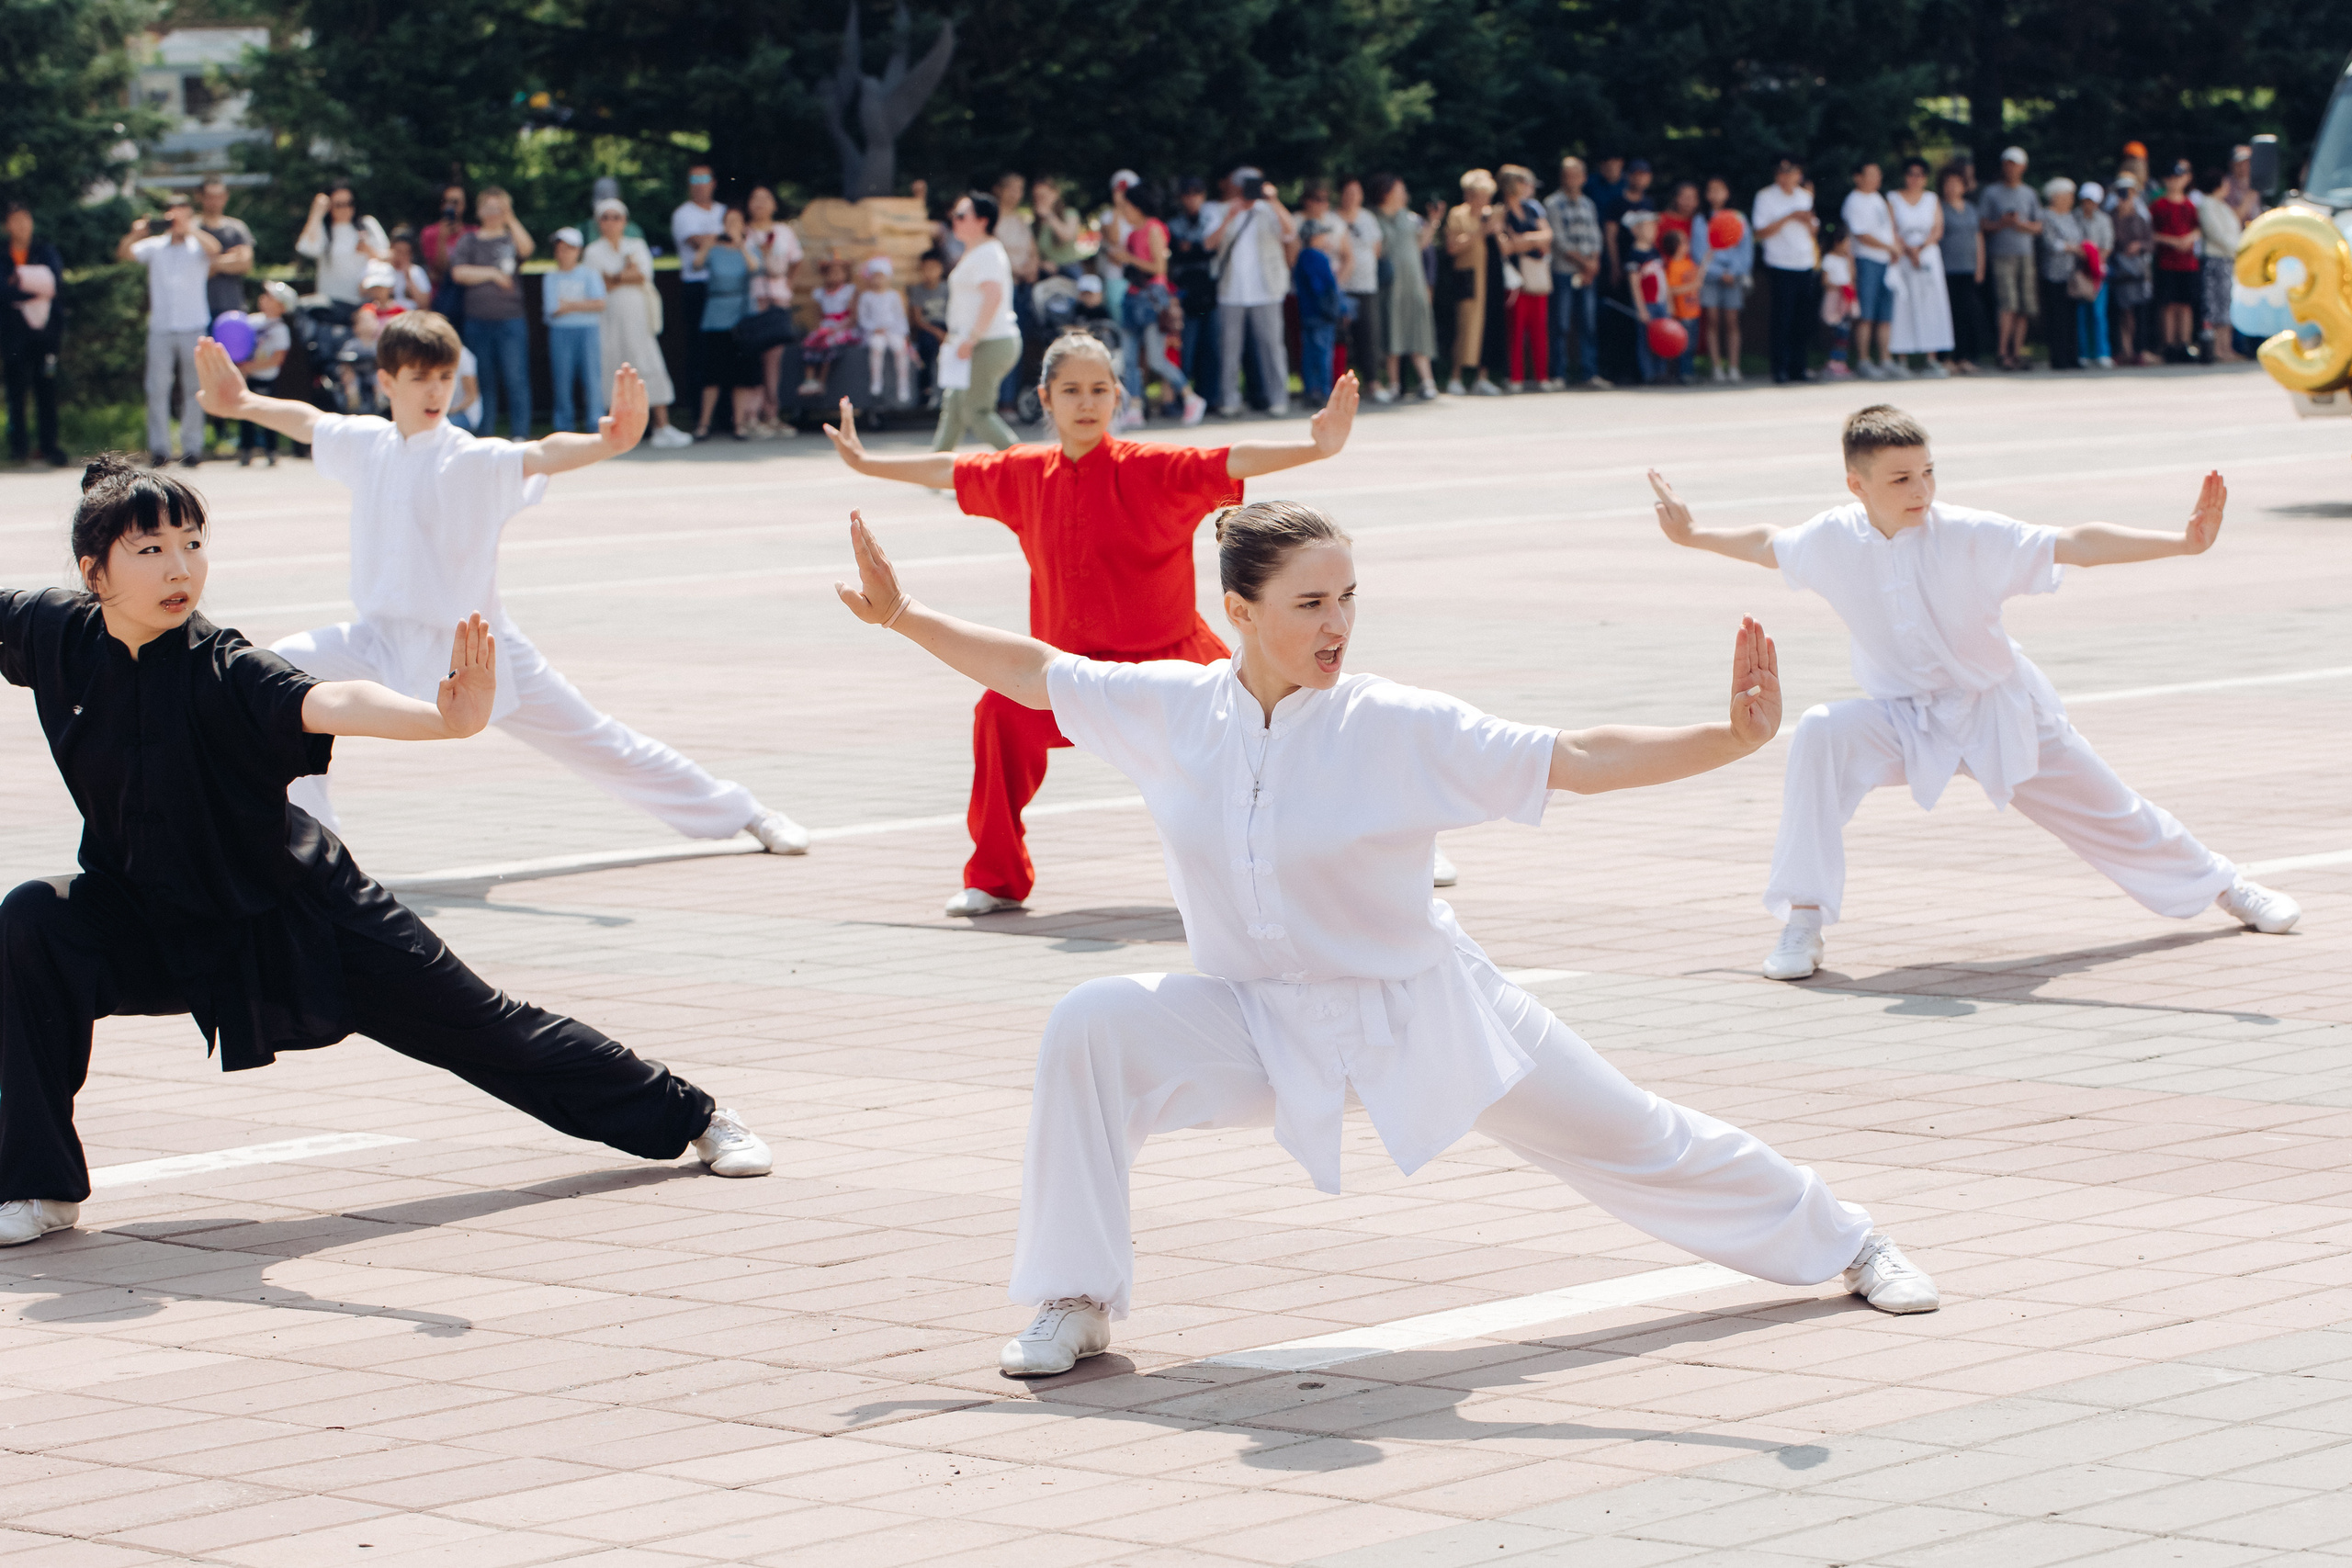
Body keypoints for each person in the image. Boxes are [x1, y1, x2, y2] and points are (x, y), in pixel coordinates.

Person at [830, 504, 1941, 1378]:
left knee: (1637, 1136)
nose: (1337, 624)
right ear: (1236, 612)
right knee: (1091, 1025)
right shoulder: (1171, 708)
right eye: (1310, 601)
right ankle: (1075, 1298)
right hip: (1258, 1018)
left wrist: (1727, 739)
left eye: (1349, 598)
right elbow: (1035, 670)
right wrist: (904, 615)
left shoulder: (1397, 723)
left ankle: (1848, 1242)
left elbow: (1577, 755)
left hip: (1428, 1011)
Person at [0, 459, 777, 1251]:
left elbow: (329, 698)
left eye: (193, 542)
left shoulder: (224, 668)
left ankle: (696, 1115)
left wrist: (445, 719)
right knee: (32, 920)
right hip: (145, 915)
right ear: (94, 570)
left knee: (488, 1029)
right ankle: (37, 1184)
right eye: (150, 549)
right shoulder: (53, 632)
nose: (180, 567)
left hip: (297, 912)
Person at [1650, 404, 2302, 987]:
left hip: (2000, 708)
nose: (1923, 489)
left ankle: (2229, 886)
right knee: (1819, 731)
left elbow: (2075, 543)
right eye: (1902, 478)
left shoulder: (1968, 533)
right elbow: (1767, 543)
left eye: (1929, 472)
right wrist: (1691, 535)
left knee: (2116, 811)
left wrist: (2182, 544)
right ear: (1858, 485)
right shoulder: (1829, 539)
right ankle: (1802, 920)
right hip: (1901, 718)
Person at [193, 313, 811, 856]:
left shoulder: (471, 457)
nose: (437, 390)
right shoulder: (366, 443)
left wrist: (608, 442)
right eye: (420, 378)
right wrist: (242, 402)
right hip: (377, 641)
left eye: (446, 376)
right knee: (278, 676)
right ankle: (312, 850)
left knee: (603, 744)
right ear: (387, 382)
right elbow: (307, 420)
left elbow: (541, 453)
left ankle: (745, 812)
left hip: (480, 650)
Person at [825, 346, 1394, 914]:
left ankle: (1374, 847)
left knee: (1277, 733)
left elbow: (1229, 459)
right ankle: (995, 878)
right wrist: (864, 463)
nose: (1086, 403)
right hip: (1064, 672)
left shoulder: (1149, 466)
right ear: (1045, 399)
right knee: (997, 717)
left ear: (1119, 396)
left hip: (1176, 662)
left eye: (1099, 389)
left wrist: (1317, 446)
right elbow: (948, 469)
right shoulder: (1025, 472)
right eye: (1070, 390)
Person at [119, 194, 220, 468]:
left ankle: (192, 447)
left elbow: (215, 250)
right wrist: (135, 234)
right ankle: (160, 448)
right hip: (162, 326)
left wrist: (190, 228)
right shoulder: (155, 246)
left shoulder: (197, 245)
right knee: (157, 388)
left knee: (194, 388)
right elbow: (126, 254)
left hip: (193, 324)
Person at [585, 199, 688, 448]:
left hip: (638, 320)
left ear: (625, 221)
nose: (610, 222)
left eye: (616, 217)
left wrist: (616, 276)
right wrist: (625, 272)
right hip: (608, 321)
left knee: (648, 365)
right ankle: (617, 432)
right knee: (612, 368)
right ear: (599, 222)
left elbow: (641, 275)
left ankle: (661, 426)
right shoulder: (592, 251)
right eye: (605, 217)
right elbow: (600, 284)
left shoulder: (637, 245)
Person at [932, 191, 1023, 452]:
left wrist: (972, 337)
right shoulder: (977, 252)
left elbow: (993, 296)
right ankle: (935, 468)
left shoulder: (987, 253)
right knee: (955, 406)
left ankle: (1026, 466)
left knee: (975, 411)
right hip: (975, 341)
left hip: (988, 342)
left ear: (982, 221)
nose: (954, 220)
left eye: (961, 215)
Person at [1114, 180, 1204, 426]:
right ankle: (1134, 406)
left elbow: (1158, 268)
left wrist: (1129, 258)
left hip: (1152, 299)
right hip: (1133, 297)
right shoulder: (1132, 233)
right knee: (1130, 357)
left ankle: (1189, 396)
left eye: (1127, 206)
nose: (1124, 211)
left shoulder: (1154, 229)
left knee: (1155, 358)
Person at [447, 187, 536, 440]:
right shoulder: (469, 240)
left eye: (499, 208)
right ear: (479, 210)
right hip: (477, 320)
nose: (494, 213)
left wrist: (511, 219)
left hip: (511, 320)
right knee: (483, 379)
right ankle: (486, 433)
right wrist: (493, 274)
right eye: (489, 207)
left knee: (516, 377)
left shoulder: (511, 238)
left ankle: (520, 433)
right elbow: (459, 273)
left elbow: (528, 249)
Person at [1208, 166, 1297, 416]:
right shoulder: (1222, 211)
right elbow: (1209, 243)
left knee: (1272, 346)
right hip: (1231, 291)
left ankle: (1278, 398)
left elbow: (1290, 232)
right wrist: (1229, 217)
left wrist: (1274, 200)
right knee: (1229, 349)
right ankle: (1230, 400)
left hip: (1267, 290)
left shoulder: (1268, 211)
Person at [688, 205, 762, 440]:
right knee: (712, 374)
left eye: (736, 222)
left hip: (740, 317)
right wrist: (708, 244)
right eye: (727, 222)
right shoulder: (715, 250)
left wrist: (740, 245)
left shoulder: (749, 250)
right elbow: (696, 265)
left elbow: (755, 268)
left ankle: (738, 424)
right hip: (715, 315)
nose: (731, 227)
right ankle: (704, 423)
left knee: (740, 375)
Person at [3, 202, 66, 468]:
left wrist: (19, 283)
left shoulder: (44, 251)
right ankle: (18, 448)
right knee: (16, 391)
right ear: (7, 225)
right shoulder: (3, 255)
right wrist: (33, 288)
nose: (22, 226)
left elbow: (55, 283)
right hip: (14, 336)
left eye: (25, 219)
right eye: (16, 221)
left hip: (46, 336)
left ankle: (48, 446)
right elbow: (4, 291)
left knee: (46, 389)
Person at [1373, 175, 1440, 400]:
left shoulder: (1411, 219)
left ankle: (1427, 382)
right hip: (1391, 286)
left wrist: (1434, 221)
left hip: (1414, 284)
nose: (1404, 194)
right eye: (1399, 190)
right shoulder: (1375, 219)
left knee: (1419, 329)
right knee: (1393, 330)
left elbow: (1422, 244)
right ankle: (1393, 384)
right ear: (1387, 192)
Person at [744, 186, 805, 435]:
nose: (759, 203)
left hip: (778, 298)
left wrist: (787, 284)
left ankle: (772, 412)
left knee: (774, 359)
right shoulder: (745, 232)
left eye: (765, 199)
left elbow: (796, 260)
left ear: (774, 205)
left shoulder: (783, 232)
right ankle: (751, 415)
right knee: (752, 357)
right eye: (755, 198)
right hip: (752, 298)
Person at [1754, 156, 1819, 385]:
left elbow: (1813, 230)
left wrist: (1807, 220)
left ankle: (1798, 367)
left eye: (1792, 172)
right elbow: (1761, 230)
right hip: (1780, 263)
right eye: (1782, 172)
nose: (1787, 176)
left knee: (1803, 319)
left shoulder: (1805, 196)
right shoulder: (1765, 197)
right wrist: (1789, 216)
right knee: (1782, 318)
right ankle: (1779, 368)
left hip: (1804, 262)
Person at [1544, 157, 1607, 389]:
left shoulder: (1588, 204)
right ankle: (1558, 374)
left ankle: (1589, 373)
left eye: (1577, 174)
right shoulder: (1552, 204)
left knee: (1588, 323)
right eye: (1568, 175)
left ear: (1584, 177)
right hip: (1564, 270)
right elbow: (1558, 240)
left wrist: (1594, 261)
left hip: (1588, 273)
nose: (1572, 179)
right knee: (1560, 323)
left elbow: (1596, 236)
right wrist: (1583, 262)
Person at [1886, 157, 1952, 376]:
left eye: (1920, 174)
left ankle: (1931, 357)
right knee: (1903, 304)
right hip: (1903, 255)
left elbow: (1938, 229)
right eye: (1911, 174)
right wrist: (1908, 249)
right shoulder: (1894, 199)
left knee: (1931, 304)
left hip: (1927, 255)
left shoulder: (1932, 199)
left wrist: (1921, 248)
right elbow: (1892, 228)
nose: (1915, 179)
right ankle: (1902, 358)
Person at [671, 164, 726, 423]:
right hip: (697, 287)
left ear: (713, 182)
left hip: (725, 288)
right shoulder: (683, 214)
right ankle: (698, 415)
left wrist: (715, 239)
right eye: (694, 179)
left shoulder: (723, 211)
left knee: (724, 349)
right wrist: (724, 237)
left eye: (704, 178)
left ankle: (726, 415)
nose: (699, 183)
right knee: (699, 350)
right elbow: (696, 242)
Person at [1979, 148, 2042, 371]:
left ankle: (2017, 352)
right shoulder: (1992, 193)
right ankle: (2002, 352)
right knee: (2008, 304)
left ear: (2023, 167)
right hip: (2002, 254)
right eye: (2007, 163)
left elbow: (2038, 226)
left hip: (2025, 255)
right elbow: (1983, 225)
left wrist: (2021, 225)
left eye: (2015, 164)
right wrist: (2001, 223)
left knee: (2025, 305)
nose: (2011, 168)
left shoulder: (2029, 194)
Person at [541, 226, 607, 434]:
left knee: (592, 378)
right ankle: (563, 426)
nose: (562, 253)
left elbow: (599, 304)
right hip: (560, 333)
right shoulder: (550, 277)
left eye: (568, 248)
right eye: (559, 249)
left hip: (588, 331)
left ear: (578, 250)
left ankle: (595, 424)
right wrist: (582, 304)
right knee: (562, 379)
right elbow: (553, 309)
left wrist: (568, 305)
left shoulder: (589, 274)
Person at [1442, 170, 1503, 396]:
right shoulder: (1458, 214)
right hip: (1467, 276)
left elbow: (1503, 244)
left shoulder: (1491, 215)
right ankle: (1455, 377)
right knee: (1464, 324)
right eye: (1479, 194)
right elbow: (1452, 247)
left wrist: (1496, 231)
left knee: (1488, 324)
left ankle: (1482, 377)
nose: (1484, 200)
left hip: (1490, 276)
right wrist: (1481, 231)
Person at [294, 184, 390, 320]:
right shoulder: (325, 229)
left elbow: (388, 258)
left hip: (364, 304)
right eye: (339, 204)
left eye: (349, 203)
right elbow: (306, 249)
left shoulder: (367, 224)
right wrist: (316, 212)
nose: (345, 209)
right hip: (331, 304)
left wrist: (369, 251)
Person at [1840, 162, 1898, 379]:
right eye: (1871, 174)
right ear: (1858, 177)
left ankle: (1885, 359)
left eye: (1878, 174)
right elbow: (1861, 234)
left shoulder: (1878, 199)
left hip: (1886, 261)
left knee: (1885, 314)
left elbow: (1888, 229)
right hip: (1866, 260)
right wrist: (1889, 247)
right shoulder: (1854, 201)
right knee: (1866, 313)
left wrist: (1894, 249)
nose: (1876, 178)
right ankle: (1863, 360)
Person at [1293, 184, 1350, 404]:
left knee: (1309, 352)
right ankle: (1323, 391)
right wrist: (1339, 307)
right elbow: (1325, 287)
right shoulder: (1317, 258)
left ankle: (1311, 389)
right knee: (1323, 353)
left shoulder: (1302, 258)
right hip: (1321, 313)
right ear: (1313, 237)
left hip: (1308, 313)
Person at [1498, 165, 1552, 390]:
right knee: (1516, 329)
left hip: (1536, 274)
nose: (1528, 188)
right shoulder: (1501, 211)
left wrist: (1524, 239)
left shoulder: (1532, 209)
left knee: (1539, 329)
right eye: (1524, 182)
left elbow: (1548, 236)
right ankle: (1516, 378)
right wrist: (1533, 241)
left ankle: (1542, 376)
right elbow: (1506, 247)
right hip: (1515, 278)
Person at [1696, 177, 1751, 383]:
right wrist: (1718, 272)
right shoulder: (1701, 220)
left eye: (1720, 190)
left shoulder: (1739, 218)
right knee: (1712, 320)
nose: (1715, 194)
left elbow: (1745, 250)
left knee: (1731, 322)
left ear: (1728, 193)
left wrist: (1734, 271)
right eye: (1711, 190)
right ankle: (1716, 367)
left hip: (1733, 276)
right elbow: (1699, 252)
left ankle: (1734, 367)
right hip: (1710, 277)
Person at [235, 281, 296, 467]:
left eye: (270, 297)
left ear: (281, 306)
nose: (263, 299)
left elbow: (276, 358)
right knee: (245, 414)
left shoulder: (280, 330)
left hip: (267, 377)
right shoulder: (252, 321)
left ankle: (271, 449)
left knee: (269, 415)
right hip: (249, 377)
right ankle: (246, 449)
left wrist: (251, 366)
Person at [1335, 177, 1385, 400]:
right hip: (1342, 286)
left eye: (1356, 192)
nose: (1352, 197)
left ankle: (1372, 382)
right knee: (1342, 336)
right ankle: (1341, 385)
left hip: (1367, 285)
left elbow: (1377, 249)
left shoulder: (1368, 218)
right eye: (1348, 192)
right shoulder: (1334, 218)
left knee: (1369, 335)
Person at [1936, 167, 1987, 373]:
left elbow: (1978, 238)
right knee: (1946, 313)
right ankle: (1944, 358)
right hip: (1946, 269)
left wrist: (1980, 266)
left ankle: (1964, 356)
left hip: (1968, 268)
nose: (1952, 188)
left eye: (1957, 183)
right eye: (1948, 183)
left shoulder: (1971, 209)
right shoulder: (1939, 207)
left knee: (1966, 313)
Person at [2151, 160, 2202, 361]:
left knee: (2186, 305)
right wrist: (2172, 241)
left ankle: (2184, 344)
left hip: (2187, 263)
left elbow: (2197, 228)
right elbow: (2151, 233)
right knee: (2169, 305)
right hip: (2167, 261)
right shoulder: (2158, 206)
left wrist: (2188, 239)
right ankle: (2169, 345)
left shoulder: (2189, 205)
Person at [2037, 177, 2086, 371]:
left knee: (2071, 316)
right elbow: (2050, 243)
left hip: (2071, 274)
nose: (2070, 200)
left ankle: (2072, 355)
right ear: (2055, 197)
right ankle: (2058, 357)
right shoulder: (2046, 216)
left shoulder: (2071, 217)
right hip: (2053, 273)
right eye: (2067, 196)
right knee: (2056, 317)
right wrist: (2072, 248)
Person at [2195, 168, 2244, 362]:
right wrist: (2237, 248)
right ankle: (2216, 349)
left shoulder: (2223, 206)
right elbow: (2215, 233)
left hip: (2229, 259)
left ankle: (2226, 348)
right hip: (2215, 260)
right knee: (2215, 306)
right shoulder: (2206, 205)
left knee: (2227, 304)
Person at [857, 255, 914, 407]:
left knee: (900, 348)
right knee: (877, 347)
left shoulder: (893, 296)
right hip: (874, 333)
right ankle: (876, 383)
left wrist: (903, 333)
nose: (878, 281)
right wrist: (874, 329)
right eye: (875, 277)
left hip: (893, 331)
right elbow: (863, 319)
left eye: (881, 277)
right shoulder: (866, 296)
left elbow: (900, 317)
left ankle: (903, 386)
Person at [2109, 175, 2154, 366]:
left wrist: (2139, 246)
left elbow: (2151, 242)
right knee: (2123, 312)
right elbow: (2111, 240)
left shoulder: (2142, 216)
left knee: (2139, 313)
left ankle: (2138, 351)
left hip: (2139, 271)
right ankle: (2124, 350)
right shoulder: (2111, 215)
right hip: (2120, 271)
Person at [2075, 182, 2115, 368]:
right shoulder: (2074, 217)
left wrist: (2095, 259)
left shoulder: (2104, 220)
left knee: (2099, 314)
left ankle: (2102, 352)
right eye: (2086, 200)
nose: (2088, 203)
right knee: (2082, 314)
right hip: (2081, 273)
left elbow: (2107, 246)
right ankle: (2083, 353)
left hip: (2098, 274)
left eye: (2092, 200)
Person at [420, 183, 472, 319]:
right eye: (447, 201)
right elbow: (438, 271)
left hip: (469, 301)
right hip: (443, 301)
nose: (451, 206)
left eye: (456, 202)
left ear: (464, 205)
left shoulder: (473, 233)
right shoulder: (430, 233)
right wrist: (442, 239)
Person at [908, 251, 950, 405]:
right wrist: (937, 332)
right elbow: (917, 320)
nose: (930, 272)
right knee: (926, 349)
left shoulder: (947, 288)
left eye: (934, 268)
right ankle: (927, 390)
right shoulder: (918, 290)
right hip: (927, 329)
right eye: (926, 268)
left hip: (946, 326)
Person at [1818, 227, 1857, 378]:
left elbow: (1851, 277)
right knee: (1835, 332)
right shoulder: (1829, 258)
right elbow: (1825, 281)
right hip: (1834, 299)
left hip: (1846, 300)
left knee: (1844, 331)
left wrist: (1850, 261)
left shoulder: (1845, 260)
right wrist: (1839, 287)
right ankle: (1833, 362)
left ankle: (1841, 361)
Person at [383, 228, 434, 310]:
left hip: (410, 315)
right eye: (398, 251)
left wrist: (408, 276)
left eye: (406, 253)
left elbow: (424, 304)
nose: (401, 256)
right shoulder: (382, 269)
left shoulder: (417, 271)